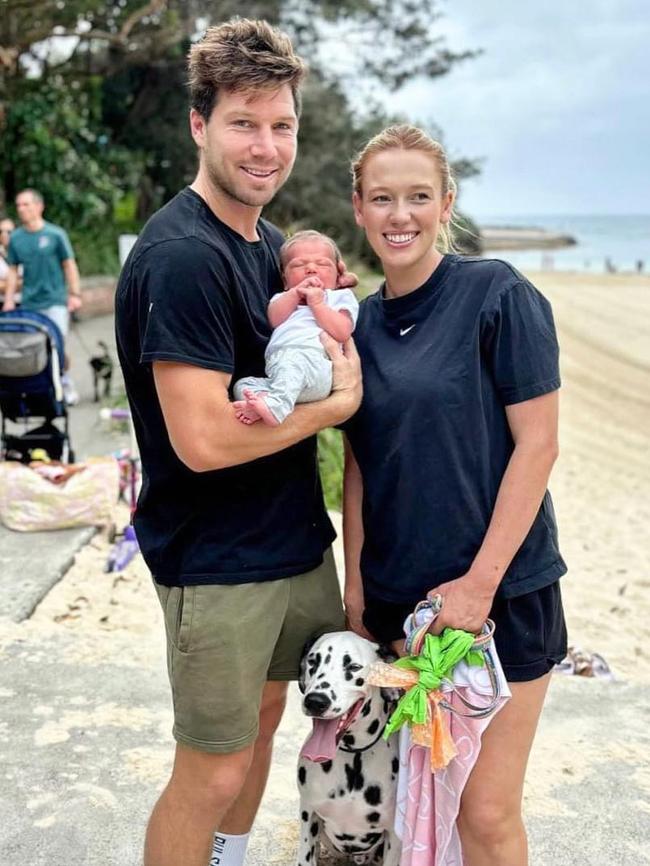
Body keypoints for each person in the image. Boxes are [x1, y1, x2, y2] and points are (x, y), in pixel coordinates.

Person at [114, 19, 361, 866]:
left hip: (289, 543)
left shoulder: (266, 248)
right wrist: (334, 410)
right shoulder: (182, 256)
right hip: (217, 561)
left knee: (262, 726)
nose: (266, 145)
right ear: (199, 124)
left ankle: (229, 859)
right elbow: (203, 441)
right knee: (210, 771)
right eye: (243, 123)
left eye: (281, 124)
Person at [342, 124, 567, 866]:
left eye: (416, 197)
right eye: (382, 198)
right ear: (359, 209)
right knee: (420, 806)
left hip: (499, 603)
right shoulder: (358, 327)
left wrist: (477, 588)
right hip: (401, 610)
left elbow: (539, 445)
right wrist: (356, 592)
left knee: (486, 812)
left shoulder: (496, 293)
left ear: (446, 204)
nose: (398, 214)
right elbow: (359, 467)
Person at [233, 230, 359, 425]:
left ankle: (275, 409)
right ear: (284, 279)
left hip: (313, 366)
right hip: (278, 369)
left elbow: (343, 331)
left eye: (323, 264)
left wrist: (318, 305)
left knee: (293, 363)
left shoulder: (338, 298)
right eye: (299, 265)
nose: (311, 269)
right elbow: (274, 320)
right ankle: (267, 404)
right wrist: (294, 295)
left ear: (338, 275)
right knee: (243, 385)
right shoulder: (284, 298)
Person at [2, 190, 82, 403]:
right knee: (32, 347)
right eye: (18, 205)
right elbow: (12, 271)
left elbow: (69, 265)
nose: (21, 209)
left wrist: (74, 294)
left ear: (39, 207)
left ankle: (65, 384)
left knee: (57, 345)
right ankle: (40, 391)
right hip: (29, 303)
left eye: (26, 205)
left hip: (55, 300)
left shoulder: (55, 235)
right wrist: (9, 300)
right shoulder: (16, 238)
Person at [0, 217, 16, 300]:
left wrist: (4, 283)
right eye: (0, 231)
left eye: (9, 232)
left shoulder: (25, 253)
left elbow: (31, 282)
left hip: (23, 304)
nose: (4, 234)